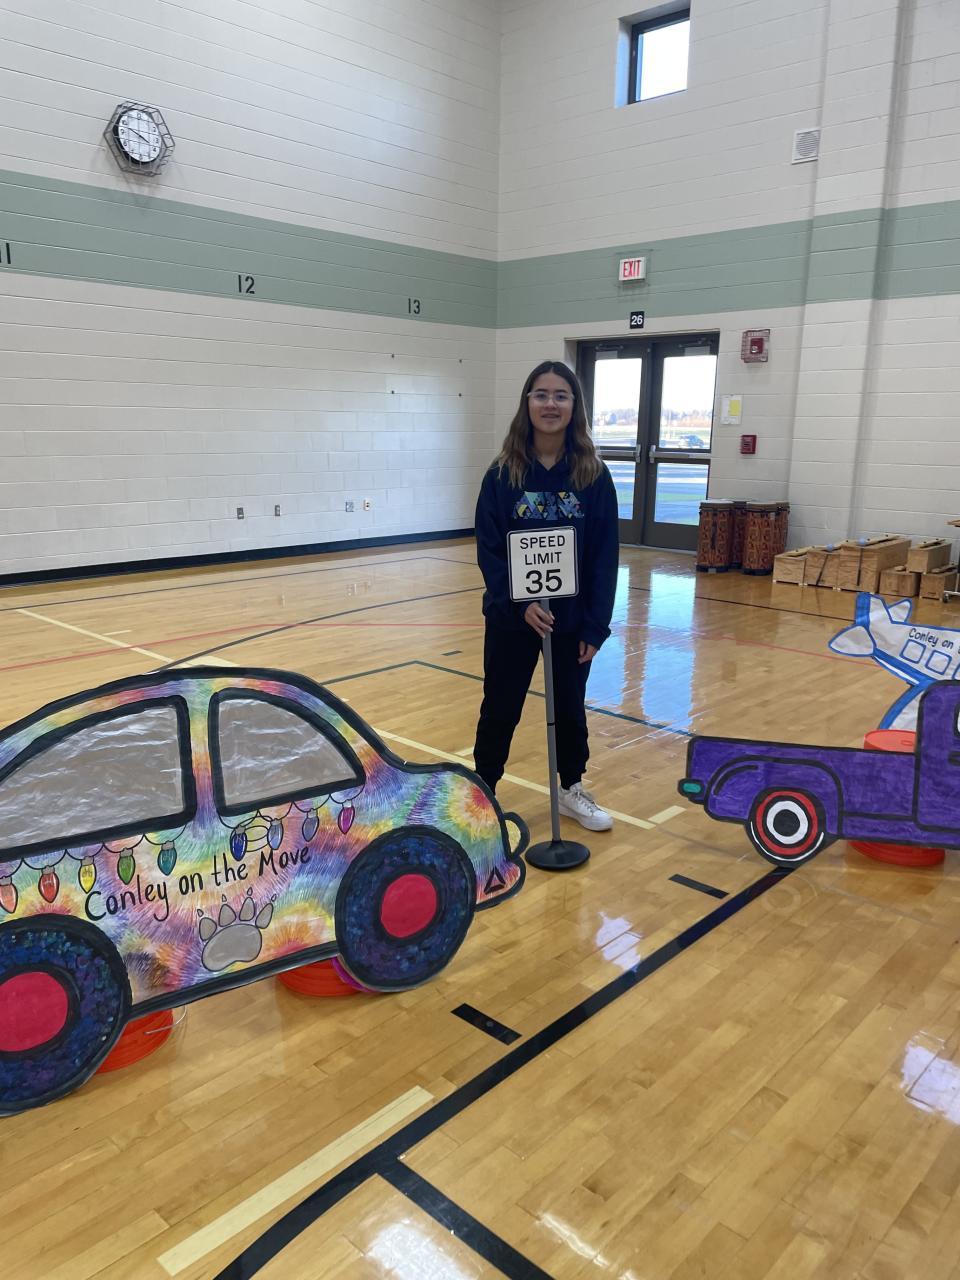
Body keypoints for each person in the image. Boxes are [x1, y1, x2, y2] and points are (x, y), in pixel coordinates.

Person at [472, 360, 619, 831]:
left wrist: (596, 625)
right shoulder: (502, 475)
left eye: (561, 395)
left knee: (570, 707)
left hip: (571, 621)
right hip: (513, 618)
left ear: (574, 406)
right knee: (500, 705)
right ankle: (483, 792)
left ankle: (571, 786)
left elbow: (604, 556)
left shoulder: (593, 476)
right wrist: (520, 603)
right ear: (527, 403)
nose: (550, 404)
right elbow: (490, 549)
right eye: (541, 394)